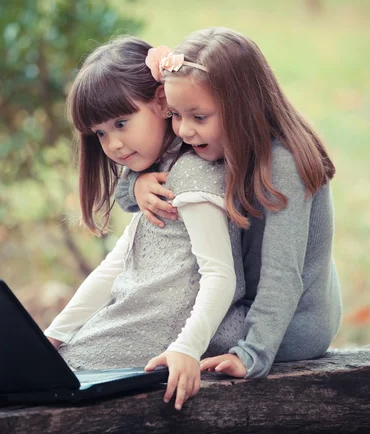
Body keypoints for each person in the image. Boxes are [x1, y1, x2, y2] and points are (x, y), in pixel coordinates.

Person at [116, 27, 343, 379]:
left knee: (165, 326)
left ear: (241, 108)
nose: (184, 131)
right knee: (159, 317)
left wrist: (251, 354)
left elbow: (283, 276)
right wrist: (136, 186)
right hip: (243, 306)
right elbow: (126, 198)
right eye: (175, 116)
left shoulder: (284, 164)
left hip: (290, 324)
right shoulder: (213, 138)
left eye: (198, 117)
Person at [43, 36, 246, 410]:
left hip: (164, 329)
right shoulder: (158, 175)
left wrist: (186, 347)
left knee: (58, 381)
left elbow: (220, 274)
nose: (114, 144)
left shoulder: (190, 177)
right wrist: (53, 335)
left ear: (162, 102)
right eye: (101, 133)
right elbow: (116, 266)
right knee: (52, 365)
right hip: (140, 316)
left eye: (122, 123)